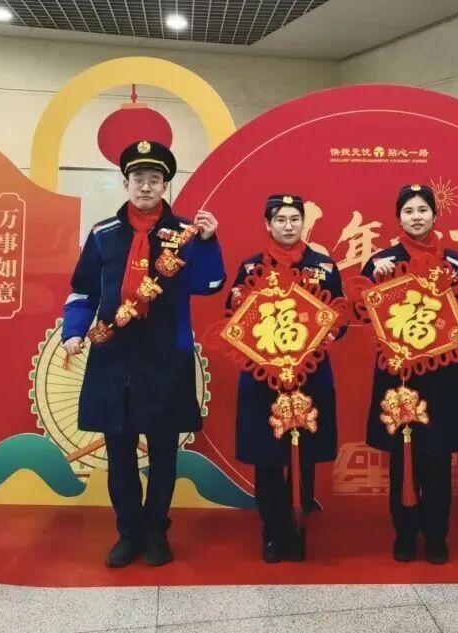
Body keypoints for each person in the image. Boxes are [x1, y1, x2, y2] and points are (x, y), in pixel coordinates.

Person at [62, 140, 225, 568]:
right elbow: (83, 290)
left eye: (155, 179)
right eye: (138, 178)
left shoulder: (186, 233)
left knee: (164, 451)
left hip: (165, 357)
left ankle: (156, 532)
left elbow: (209, 285)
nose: (146, 186)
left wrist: (209, 243)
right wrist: (74, 331)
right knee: (119, 453)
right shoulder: (103, 234)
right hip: (113, 358)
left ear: (166, 185)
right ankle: (128, 532)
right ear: (126, 183)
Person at [361, 184, 458, 565]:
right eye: (408, 211)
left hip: (442, 374)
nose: (416, 217)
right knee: (402, 460)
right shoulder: (381, 261)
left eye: (422, 210)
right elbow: (360, 311)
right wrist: (374, 281)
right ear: (398, 218)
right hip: (399, 376)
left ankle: (436, 536)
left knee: (437, 458)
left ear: (434, 215)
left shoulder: (455, 263)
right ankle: (404, 535)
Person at [226, 194, 347, 563]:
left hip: (310, 376)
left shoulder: (323, 266)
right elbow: (234, 314)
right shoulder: (252, 267)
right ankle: (271, 531)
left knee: (304, 455)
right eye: (280, 219)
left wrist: (333, 329)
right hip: (264, 377)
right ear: (268, 224)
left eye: (295, 218)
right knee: (267, 457)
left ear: (303, 223)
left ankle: (297, 527)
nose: (289, 225)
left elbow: (341, 312)